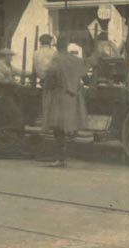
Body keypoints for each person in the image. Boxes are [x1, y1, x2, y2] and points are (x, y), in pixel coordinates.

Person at [42, 36, 87, 168]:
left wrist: (46, 88)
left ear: (57, 47)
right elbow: (85, 75)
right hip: (72, 99)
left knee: (58, 129)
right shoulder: (76, 60)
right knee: (66, 127)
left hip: (59, 98)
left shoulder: (56, 60)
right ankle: (62, 158)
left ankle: (60, 159)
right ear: (66, 46)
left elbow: (50, 78)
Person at [0, 47, 23, 127]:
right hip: (0, 91)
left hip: (8, 91)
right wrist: (12, 82)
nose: (11, 58)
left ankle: (11, 126)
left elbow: (18, 71)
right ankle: (11, 127)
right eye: (10, 56)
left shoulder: (8, 66)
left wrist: (31, 74)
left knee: (13, 108)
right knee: (12, 110)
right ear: (4, 56)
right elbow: (0, 79)